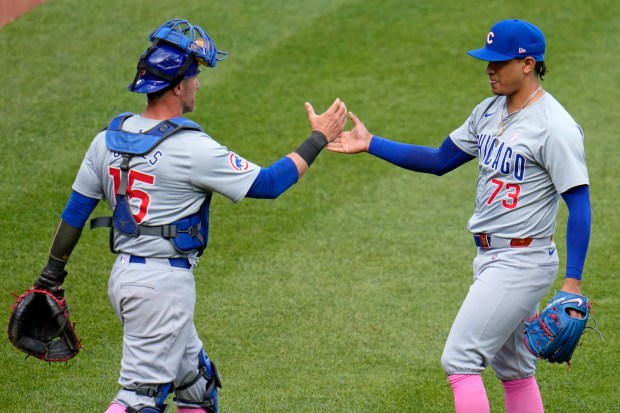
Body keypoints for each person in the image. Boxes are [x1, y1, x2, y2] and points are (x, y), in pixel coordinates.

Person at [33, 19, 346, 413]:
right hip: (162, 288)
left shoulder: (106, 139)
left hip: (126, 279)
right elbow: (268, 183)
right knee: (139, 399)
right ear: (178, 86)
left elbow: (76, 211)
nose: (198, 83)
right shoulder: (190, 148)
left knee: (196, 384)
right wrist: (319, 137)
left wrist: (51, 275)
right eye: (195, 76)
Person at [327, 19, 590, 413]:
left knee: (460, 360)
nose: (489, 69)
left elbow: (580, 204)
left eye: (500, 62)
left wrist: (572, 283)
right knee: (515, 368)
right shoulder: (488, 112)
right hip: (493, 258)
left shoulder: (555, 127)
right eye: (488, 61)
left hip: (521, 261)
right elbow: (439, 160)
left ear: (528, 64)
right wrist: (371, 144)